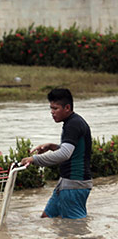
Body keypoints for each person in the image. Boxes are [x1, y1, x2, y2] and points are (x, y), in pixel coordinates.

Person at [21, 88, 92, 219]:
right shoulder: (72, 122)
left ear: (67, 107)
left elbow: (64, 154)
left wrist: (34, 159)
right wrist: (52, 146)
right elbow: (73, 151)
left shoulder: (73, 124)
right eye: (51, 108)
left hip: (74, 185)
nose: (52, 112)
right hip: (66, 184)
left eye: (55, 108)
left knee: (75, 230)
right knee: (46, 218)